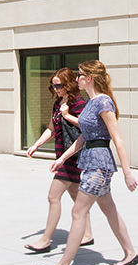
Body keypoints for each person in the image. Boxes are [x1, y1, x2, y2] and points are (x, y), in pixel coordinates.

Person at [38, 60, 138, 265]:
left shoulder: (104, 103)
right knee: (109, 210)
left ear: (89, 78)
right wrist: (62, 159)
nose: (77, 79)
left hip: (100, 165)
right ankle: (130, 253)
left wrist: (127, 172)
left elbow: (117, 138)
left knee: (78, 211)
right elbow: (85, 136)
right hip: (89, 161)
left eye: (80, 75)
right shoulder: (92, 102)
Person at [23, 68, 95, 254]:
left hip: (74, 157)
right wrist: (36, 145)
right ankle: (87, 235)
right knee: (76, 197)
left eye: (59, 85)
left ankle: (46, 240)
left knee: (53, 196)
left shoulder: (79, 103)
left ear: (69, 84)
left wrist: (67, 115)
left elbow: (87, 127)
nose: (56, 89)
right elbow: (51, 129)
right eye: (53, 85)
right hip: (62, 155)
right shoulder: (58, 103)